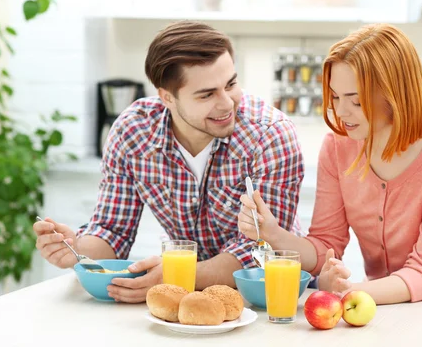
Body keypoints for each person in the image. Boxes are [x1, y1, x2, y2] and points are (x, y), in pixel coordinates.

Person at [238, 23, 422, 347]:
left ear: (396, 95)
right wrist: (272, 233)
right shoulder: (337, 146)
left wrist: (345, 292)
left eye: (355, 101)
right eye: (334, 97)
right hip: (388, 305)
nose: (340, 112)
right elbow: (325, 246)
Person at [33, 21, 305, 303]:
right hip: (181, 301)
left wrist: (177, 275)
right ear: (167, 97)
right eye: (207, 94)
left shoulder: (270, 135)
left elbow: (261, 249)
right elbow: (112, 231)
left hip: (265, 298)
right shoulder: (134, 132)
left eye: (231, 84)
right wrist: (75, 249)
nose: (227, 103)